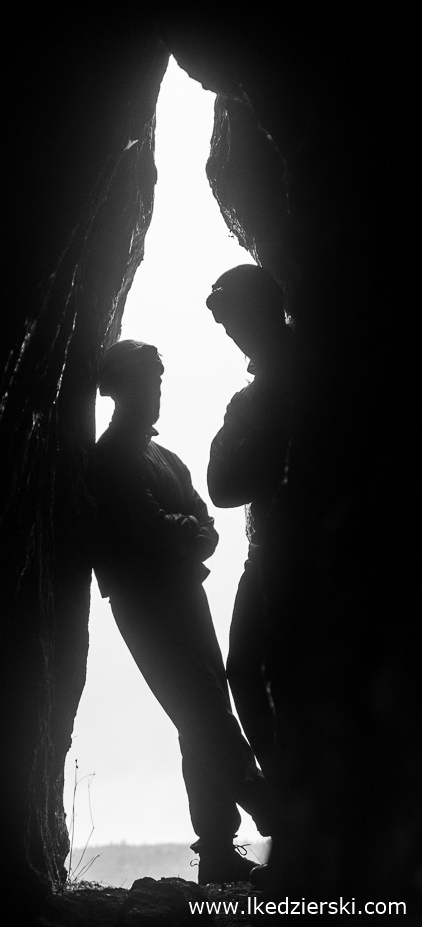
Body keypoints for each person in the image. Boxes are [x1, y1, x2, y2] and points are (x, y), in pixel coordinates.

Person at [92, 339, 273, 884]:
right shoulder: (108, 460)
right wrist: (184, 532)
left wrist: (185, 532)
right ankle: (267, 805)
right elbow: (156, 529)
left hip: (182, 596)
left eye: (159, 382)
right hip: (145, 603)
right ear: (119, 390)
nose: (156, 393)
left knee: (200, 714)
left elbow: (202, 526)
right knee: (199, 712)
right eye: (147, 383)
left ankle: (217, 848)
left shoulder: (163, 458)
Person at [205, 265, 295, 783]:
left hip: (284, 558)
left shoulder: (265, 393)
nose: (231, 333)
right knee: (259, 673)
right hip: (279, 555)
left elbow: (226, 484)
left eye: (232, 320)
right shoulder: (264, 390)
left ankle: (295, 813)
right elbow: (223, 486)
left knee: (257, 672)